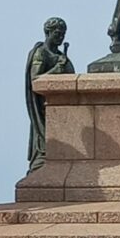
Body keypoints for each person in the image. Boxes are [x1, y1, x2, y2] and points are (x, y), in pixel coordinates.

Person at [25, 17, 75, 171]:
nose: (61, 37)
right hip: (43, 107)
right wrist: (56, 69)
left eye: (63, 34)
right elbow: (35, 79)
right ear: (48, 32)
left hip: (60, 110)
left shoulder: (61, 56)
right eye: (58, 33)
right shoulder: (41, 53)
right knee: (44, 145)